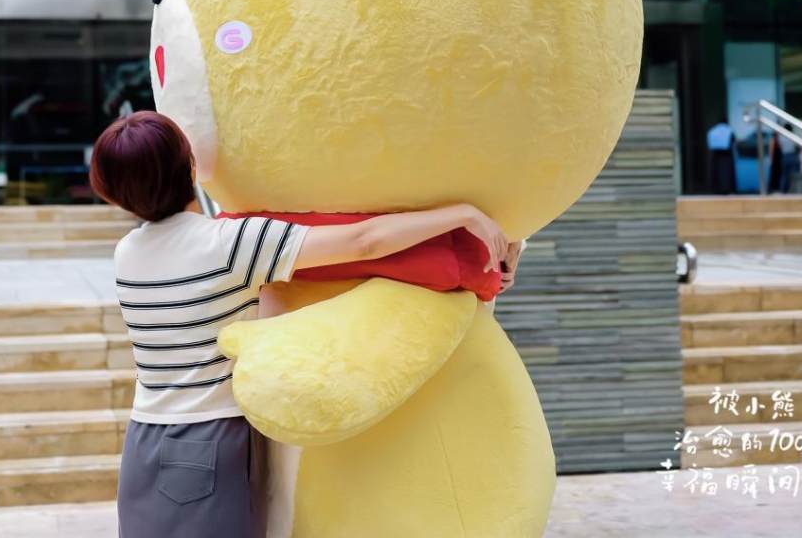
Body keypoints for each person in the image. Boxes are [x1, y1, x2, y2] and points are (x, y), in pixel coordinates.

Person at [89, 111, 521, 538]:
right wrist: (461, 215)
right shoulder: (230, 244)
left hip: (143, 440)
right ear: (190, 166)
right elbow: (364, 242)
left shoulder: (126, 254)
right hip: (209, 438)